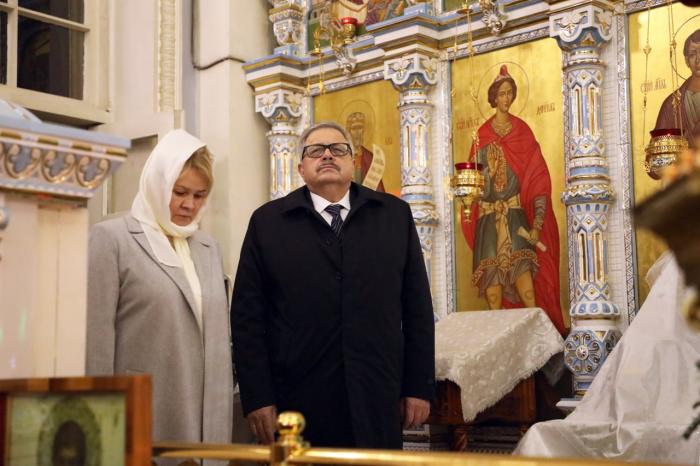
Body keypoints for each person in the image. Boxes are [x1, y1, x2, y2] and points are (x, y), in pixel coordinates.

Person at [230, 121, 435, 449]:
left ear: (353, 162)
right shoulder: (268, 223)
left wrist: (418, 386)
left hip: (376, 393)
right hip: (297, 397)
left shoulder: (393, 215)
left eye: (338, 149)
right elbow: (247, 319)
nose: (327, 155)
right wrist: (258, 396)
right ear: (301, 167)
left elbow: (418, 309)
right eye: (315, 151)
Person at [86, 129, 234, 460]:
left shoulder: (208, 248)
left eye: (199, 195)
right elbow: (96, 344)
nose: (189, 205)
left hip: (206, 424)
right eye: (179, 192)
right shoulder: (112, 239)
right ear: (157, 183)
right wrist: (99, 425)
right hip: (143, 414)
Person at [460, 65, 566, 335]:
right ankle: (500, 345)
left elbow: (538, 183)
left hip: (516, 219)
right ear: (493, 97)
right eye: (501, 94)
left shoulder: (523, 132)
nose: (506, 98)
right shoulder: (481, 136)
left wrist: (537, 225)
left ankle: (540, 342)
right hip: (488, 224)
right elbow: (472, 187)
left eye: (510, 93)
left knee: (527, 289)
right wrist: (488, 175)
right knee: (493, 295)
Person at [655, 29, 700, 148]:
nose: (698, 60)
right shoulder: (671, 104)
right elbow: (659, 148)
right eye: (692, 55)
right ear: (686, 61)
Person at [346, 111, 385, 192]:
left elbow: (379, 190)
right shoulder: (343, 156)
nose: (357, 133)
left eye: (360, 128)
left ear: (363, 130)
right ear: (349, 131)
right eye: (354, 128)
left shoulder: (370, 157)